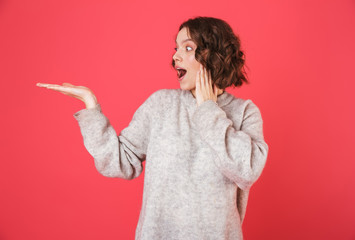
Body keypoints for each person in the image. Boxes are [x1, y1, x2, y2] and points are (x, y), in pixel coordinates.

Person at [37, 16, 269, 240]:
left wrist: (208, 109)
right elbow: (120, 161)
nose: (175, 56)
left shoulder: (244, 112)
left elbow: (247, 170)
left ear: (213, 55)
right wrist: (90, 105)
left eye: (187, 48)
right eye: (175, 48)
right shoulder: (161, 104)